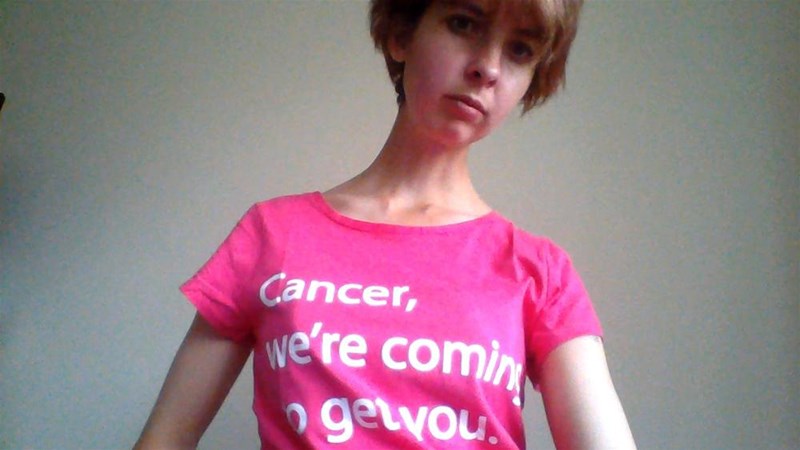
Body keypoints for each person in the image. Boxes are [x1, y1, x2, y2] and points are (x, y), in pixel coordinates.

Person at [134, 0, 637, 448]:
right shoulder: (272, 234)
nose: (487, 67)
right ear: (402, 34)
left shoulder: (540, 272)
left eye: (520, 50)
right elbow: (166, 438)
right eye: (464, 23)